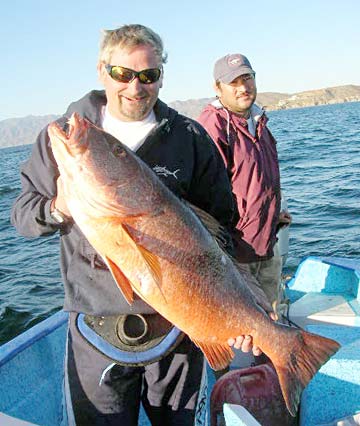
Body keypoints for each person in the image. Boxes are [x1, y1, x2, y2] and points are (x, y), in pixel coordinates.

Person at [11, 26, 260, 426]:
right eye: (122, 73)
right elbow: (23, 216)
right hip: (96, 329)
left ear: (161, 75)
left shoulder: (191, 137)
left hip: (181, 332)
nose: (135, 87)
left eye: (148, 75)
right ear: (101, 71)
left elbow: (223, 229)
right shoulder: (63, 137)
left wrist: (240, 308)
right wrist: (59, 206)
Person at [198, 53, 291, 320]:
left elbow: (256, 181)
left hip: (266, 240)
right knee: (246, 323)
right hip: (235, 252)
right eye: (234, 82)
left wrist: (273, 217)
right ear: (218, 88)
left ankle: (273, 361)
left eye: (247, 78)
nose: (243, 87)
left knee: (271, 315)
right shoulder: (213, 127)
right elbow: (206, 196)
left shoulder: (259, 120)